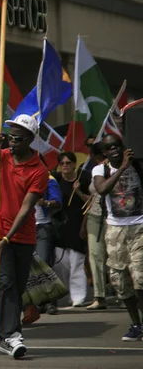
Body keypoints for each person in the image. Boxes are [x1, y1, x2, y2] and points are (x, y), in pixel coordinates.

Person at [0, 114, 48, 359]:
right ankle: (11, 335)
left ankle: (6, 334)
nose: (11, 141)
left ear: (29, 140)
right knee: (6, 283)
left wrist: (9, 237)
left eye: (17, 137)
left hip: (22, 235)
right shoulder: (1, 157)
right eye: (10, 136)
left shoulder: (39, 170)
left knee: (16, 286)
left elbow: (26, 209)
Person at [93, 135, 143, 341]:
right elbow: (102, 189)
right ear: (104, 153)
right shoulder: (101, 170)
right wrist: (122, 167)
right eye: (109, 148)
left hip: (139, 226)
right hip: (115, 230)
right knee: (120, 282)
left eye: (117, 146)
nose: (114, 150)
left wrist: (130, 163)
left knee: (140, 279)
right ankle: (136, 324)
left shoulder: (138, 164)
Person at [53, 152, 90, 307]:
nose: (65, 166)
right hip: (60, 226)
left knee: (76, 262)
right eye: (62, 163)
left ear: (75, 164)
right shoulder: (56, 180)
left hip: (77, 224)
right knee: (62, 263)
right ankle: (70, 290)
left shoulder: (84, 178)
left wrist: (79, 191)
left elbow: (92, 202)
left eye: (68, 163)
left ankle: (78, 296)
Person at [32, 173, 62, 316]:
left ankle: (51, 302)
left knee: (44, 263)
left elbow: (57, 201)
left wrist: (46, 203)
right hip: (24, 228)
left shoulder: (49, 179)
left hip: (43, 227)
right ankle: (39, 302)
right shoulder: (17, 176)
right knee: (30, 267)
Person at [86, 142, 109, 310]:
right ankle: (99, 296)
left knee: (119, 257)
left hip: (114, 216)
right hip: (94, 216)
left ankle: (125, 293)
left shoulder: (116, 168)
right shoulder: (96, 170)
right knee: (95, 255)